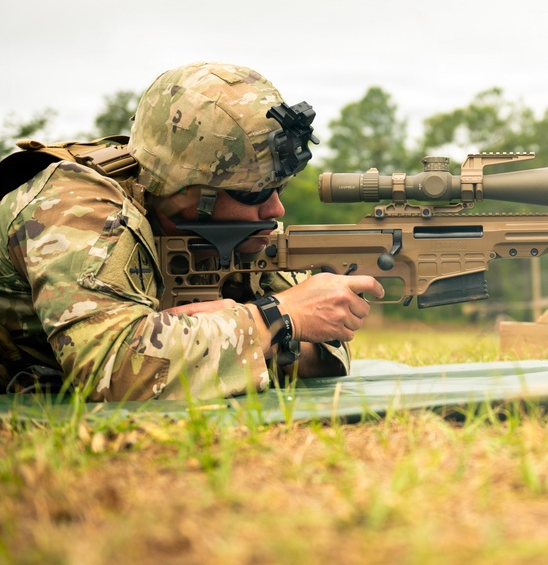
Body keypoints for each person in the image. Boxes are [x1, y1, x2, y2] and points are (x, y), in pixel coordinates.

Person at [0, 61, 384, 401]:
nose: (275, 210)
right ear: (187, 190)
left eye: (279, 189)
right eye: (254, 193)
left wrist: (250, 332)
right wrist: (273, 320)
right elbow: (118, 371)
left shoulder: (235, 227)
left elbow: (327, 344)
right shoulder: (71, 205)